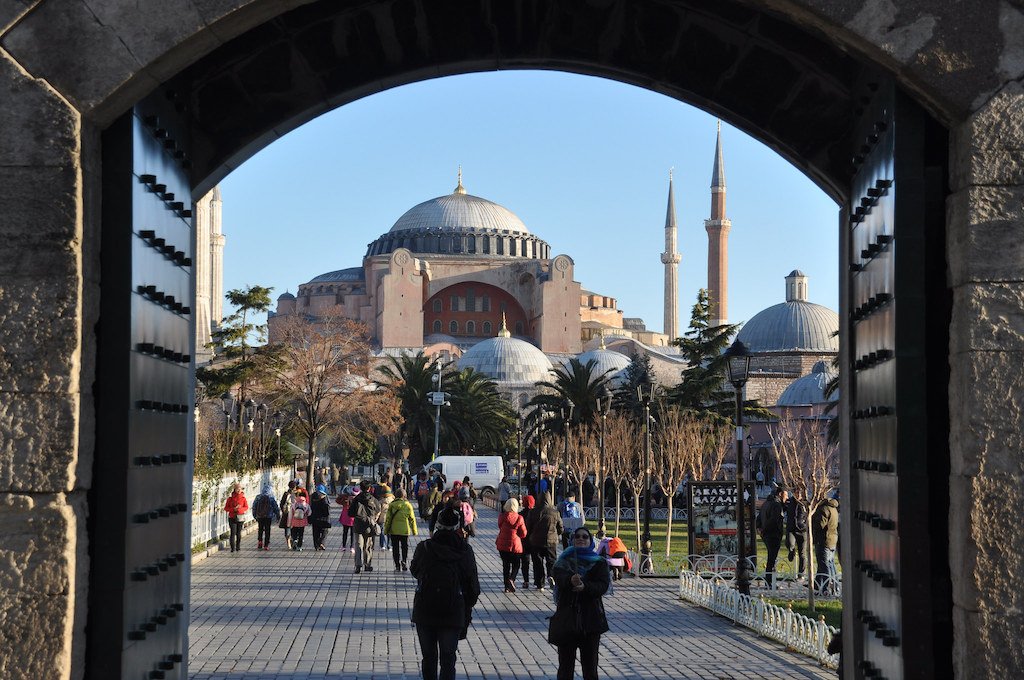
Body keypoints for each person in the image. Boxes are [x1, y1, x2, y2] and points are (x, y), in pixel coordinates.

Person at [410, 507, 481, 680]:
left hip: (425, 609)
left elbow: (415, 570)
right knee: (448, 659)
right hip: (453, 610)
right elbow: (473, 587)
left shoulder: (424, 547)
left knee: (429, 657)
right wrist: (466, 607)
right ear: (458, 527)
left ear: (437, 525)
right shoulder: (465, 551)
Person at [550, 527, 610, 680]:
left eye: (585, 537)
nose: (581, 539)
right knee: (565, 668)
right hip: (567, 619)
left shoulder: (599, 563)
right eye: (577, 536)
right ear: (572, 540)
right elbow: (558, 577)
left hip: (590, 621)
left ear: (590, 541)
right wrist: (570, 580)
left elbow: (602, 585)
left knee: (590, 668)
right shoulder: (564, 561)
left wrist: (586, 587)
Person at [527, 491, 562, 590]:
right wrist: (557, 534)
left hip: (536, 541)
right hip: (551, 541)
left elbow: (528, 526)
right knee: (551, 561)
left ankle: (539, 583)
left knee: (538, 563)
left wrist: (531, 535)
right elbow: (560, 527)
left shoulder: (533, 512)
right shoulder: (555, 512)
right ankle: (551, 576)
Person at [757, 485, 787, 587]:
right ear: (780, 494)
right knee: (772, 559)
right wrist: (764, 529)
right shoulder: (776, 505)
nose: (787, 498)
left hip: (766, 535)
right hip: (773, 535)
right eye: (785, 495)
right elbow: (773, 520)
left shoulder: (766, 503)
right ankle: (770, 582)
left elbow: (759, 518)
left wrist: (759, 528)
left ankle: (769, 581)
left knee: (771, 558)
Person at [496, 497, 527, 592]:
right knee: (516, 565)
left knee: (506, 565)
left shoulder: (502, 516)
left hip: (502, 545)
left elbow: (500, 526)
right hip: (515, 545)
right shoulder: (519, 518)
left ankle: (506, 587)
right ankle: (512, 579)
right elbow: (523, 534)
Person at [351, 479, 382, 573]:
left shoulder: (356, 499)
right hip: (369, 525)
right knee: (368, 545)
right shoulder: (373, 499)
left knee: (358, 545)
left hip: (358, 525)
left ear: (361, 488)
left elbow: (350, 513)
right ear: (369, 488)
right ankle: (367, 564)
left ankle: (358, 565)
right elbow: (378, 510)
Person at [384, 487, 418, 571]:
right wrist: (414, 531)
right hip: (404, 530)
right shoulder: (408, 505)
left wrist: (386, 530)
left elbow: (388, 519)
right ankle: (404, 561)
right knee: (404, 547)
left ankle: (397, 565)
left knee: (395, 548)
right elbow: (412, 519)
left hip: (394, 530)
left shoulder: (392, 505)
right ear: (404, 495)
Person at [813, 491, 840, 594]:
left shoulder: (823, 509)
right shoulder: (833, 508)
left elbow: (820, 525)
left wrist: (812, 521)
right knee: (830, 564)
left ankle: (826, 588)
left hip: (824, 540)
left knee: (824, 565)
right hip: (832, 539)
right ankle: (834, 587)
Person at [250, 482, 281, 551]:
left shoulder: (258, 497)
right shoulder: (271, 497)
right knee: (267, 530)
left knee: (260, 529)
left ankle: (260, 541)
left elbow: (254, 506)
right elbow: (275, 507)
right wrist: (278, 516)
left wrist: (255, 515)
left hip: (260, 516)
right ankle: (266, 545)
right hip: (268, 516)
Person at [785, 492, 808, 577]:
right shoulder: (789, 502)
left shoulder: (805, 503)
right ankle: (792, 551)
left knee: (802, 553)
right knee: (790, 543)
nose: (798, 495)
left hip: (802, 530)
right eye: (796, 493)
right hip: (791, 528)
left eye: (799, 493)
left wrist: (805, 524)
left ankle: (801, 574)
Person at [223, 482, 249, 553]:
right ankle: (232, 548)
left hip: (240, 517)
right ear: (234, 489)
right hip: (232, 517)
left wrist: (240, 509)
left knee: (238, 533)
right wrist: (233, 509)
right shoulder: (230, 499)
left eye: (240, 489)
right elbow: (226, 508)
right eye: (237, 489)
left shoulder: (243, 498)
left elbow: (246, 507)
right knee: (233, 532)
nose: (239, 490)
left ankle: (238, 546)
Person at [518, 494, 535, 589]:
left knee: (525, 562)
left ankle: (526, 580)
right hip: (534, 540)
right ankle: (537, 581)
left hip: (524, 540)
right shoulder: (536, 514)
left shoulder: (521, 514)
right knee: (536, 561)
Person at [309, 484, 332, 550]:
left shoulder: (313, 496)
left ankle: (316, 546)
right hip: (323, 518)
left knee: (315, 532)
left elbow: (310, 506)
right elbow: (327, 509)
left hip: (314, 517)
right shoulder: (325, 498)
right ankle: (321, 542)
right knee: (325, 531)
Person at [279, 480, 298, 549]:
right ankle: (294, 540)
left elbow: (281, 503)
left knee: (287, 527)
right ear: (295, 486)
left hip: (287, 513)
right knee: (294, 527)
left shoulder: (286, 494)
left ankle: (288, 542)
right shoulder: (297, 493)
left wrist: (283, 511)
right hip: (295, 513)